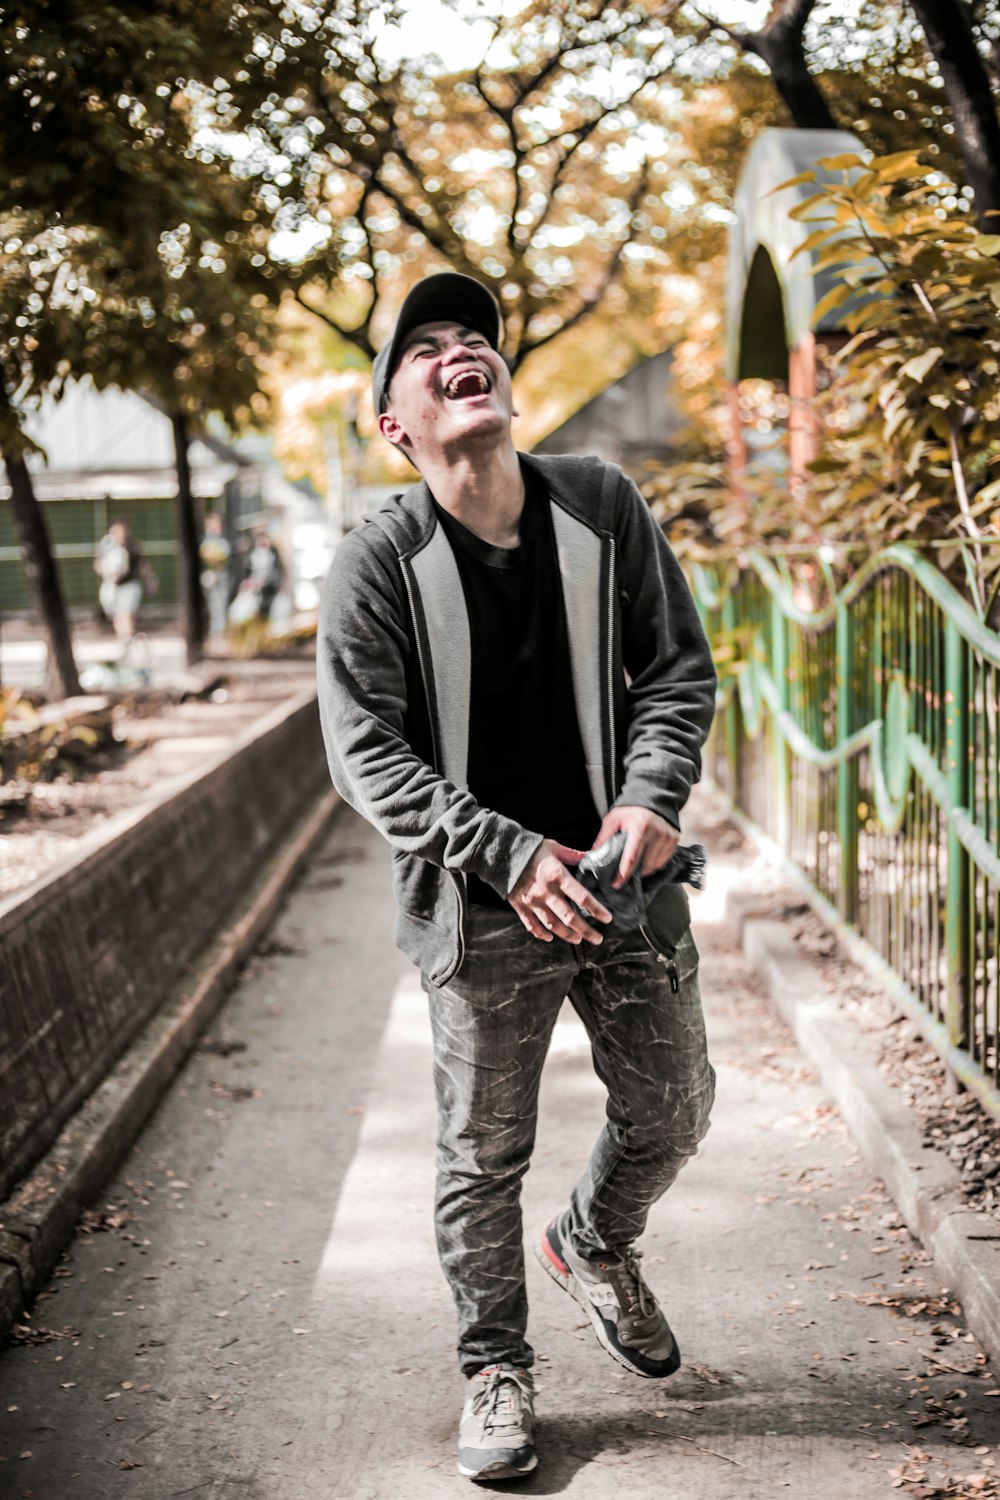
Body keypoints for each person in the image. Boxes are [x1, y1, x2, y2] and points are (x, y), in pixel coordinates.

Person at [317, 273, 717, 1483]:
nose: (458, 354)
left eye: (472, 340)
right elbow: (362, 751)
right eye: (425, 349)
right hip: (481, 910)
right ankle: (494, 1366)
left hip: (619, 883)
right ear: (395, 423)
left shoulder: (600, 504)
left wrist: (650, 796)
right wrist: (504, 850)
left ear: (503, 385)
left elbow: (675, 672)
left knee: (676, 1107)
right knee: (480, 1155)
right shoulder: (376, 561)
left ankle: (594, 1241)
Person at [94, 516, 156, 649]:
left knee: (125, 613)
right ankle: (124, 640)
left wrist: (150, 581)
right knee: (117, 616)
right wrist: (107, 572)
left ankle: (128, 640)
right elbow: (98, 564)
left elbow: (144, 566)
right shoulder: (107, 547)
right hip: (112, 587)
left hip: (129, 585)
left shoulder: (132, 546)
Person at [199, 510, 234, 638]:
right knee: (214, 604)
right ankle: (216, 632)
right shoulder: (204, 540)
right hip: (210, 576)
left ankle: (222, 630)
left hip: (224, 574)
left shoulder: (225, 538)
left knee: (223, 603)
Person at [240, 523, 283, 620]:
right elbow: (248, 572)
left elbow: (276, 573)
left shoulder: (273, 553)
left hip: (269, 590)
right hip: (255, 591)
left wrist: (266, 583)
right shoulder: (252, 554)